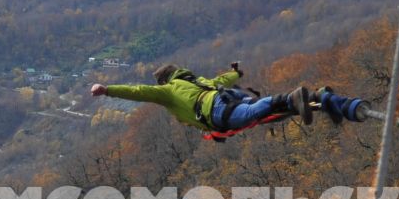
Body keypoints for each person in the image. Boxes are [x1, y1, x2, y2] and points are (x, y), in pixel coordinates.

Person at [89, 63, 370, 137]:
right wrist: (236, 72)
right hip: (223, 97)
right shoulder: (197, 81)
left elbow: (138, 92)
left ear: (164, 80)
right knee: (265, 114)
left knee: (253, 114)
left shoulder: (169, 91)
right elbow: (223, 80)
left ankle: (292, 97)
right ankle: (320, 100)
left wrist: (107, 90)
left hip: (217, 110)